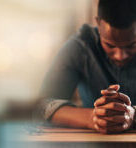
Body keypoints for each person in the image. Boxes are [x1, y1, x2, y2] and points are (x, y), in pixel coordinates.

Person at [36, 0, 136, 134]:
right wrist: (93, 117)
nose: (120, 56)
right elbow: (40, 106)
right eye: (110, 45)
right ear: (98, 23)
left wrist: (133, 116)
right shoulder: (81, 45)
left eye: (131, 45)